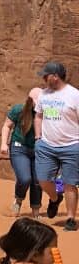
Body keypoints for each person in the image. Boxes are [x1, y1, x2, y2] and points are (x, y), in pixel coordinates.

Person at [34, 61, 79, 231]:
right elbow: (39, 116)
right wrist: (38, 138)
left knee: (69, 182)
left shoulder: (74, 95)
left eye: (46, 76)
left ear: (55, 77)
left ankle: (70, 218)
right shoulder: (44, 95)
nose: (44, 79)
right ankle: (54, 198)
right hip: (46, 145)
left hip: (71, 146)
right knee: (43, 180)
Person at [0, 87, 43, 217]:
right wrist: (3, 143)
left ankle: (36, 212)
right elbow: (7, 126)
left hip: (38, 150)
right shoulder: (18, 110)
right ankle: (18, 200)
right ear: (30, 100)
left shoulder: (47, 112)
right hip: (19, 148)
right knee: (25, 178)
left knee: (38, 180)